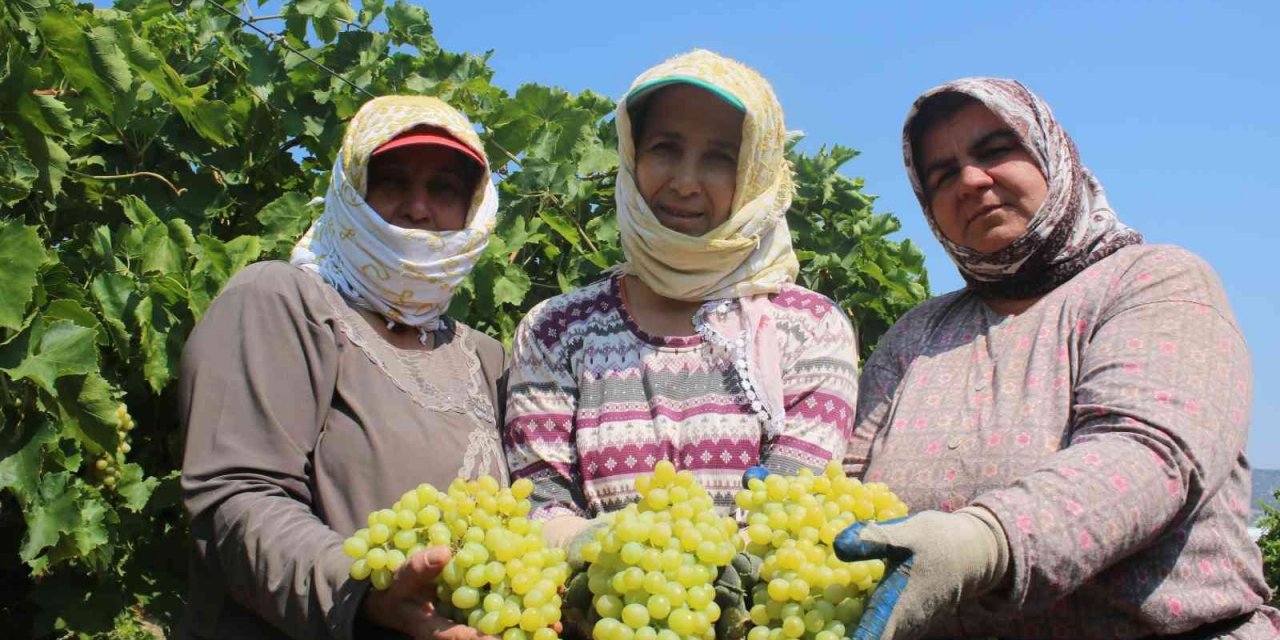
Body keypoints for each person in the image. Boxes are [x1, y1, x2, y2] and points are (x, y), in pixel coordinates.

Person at [835, 78, 1278, 639]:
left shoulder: (1154, 279)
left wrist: (986, 542)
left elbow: (1150, 453)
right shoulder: (918, 333)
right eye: (942, 175)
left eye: (995, 151)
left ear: (1051, 155)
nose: (970, 180)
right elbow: (847, 484)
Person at [177, 96, 507, 640]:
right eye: (392, 181)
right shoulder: (281, 302)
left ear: (472, 209)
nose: (417, 208)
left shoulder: (484, 356)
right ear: (351, 190)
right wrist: (360, 593)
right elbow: (234, 499)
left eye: (444, 188)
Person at [503, 50, 859, 547]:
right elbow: (539, 502)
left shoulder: (810, 327)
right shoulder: (555, 330)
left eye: (721, 158)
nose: (686, 182)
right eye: (665, 148)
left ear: (756, 171)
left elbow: (790, 513)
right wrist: (592, 551)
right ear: (632, 155)